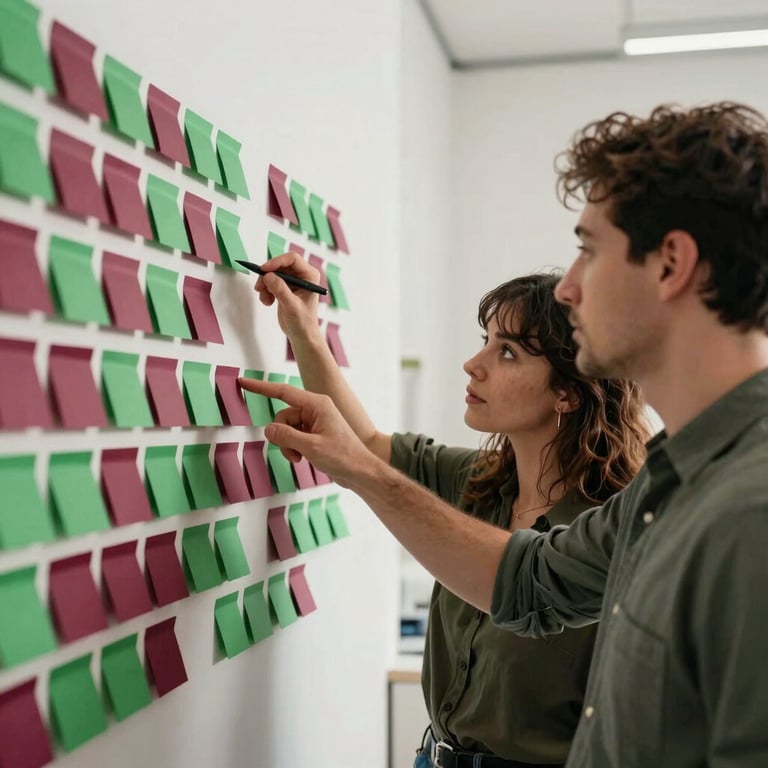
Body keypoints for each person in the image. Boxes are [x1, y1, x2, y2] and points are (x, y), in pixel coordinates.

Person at [240, 101, 768, 767]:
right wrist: (311, 344)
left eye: (589, 250)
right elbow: (529, 584)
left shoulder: (749, 511)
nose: (570, 289)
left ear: (671, 263)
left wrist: (364, 469)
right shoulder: (671, 484)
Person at [246, 268, 648, 767]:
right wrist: (303, 328)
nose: (472, 365)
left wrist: (359, 467)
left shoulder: (612, 532)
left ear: (567, 392)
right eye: (486, 341)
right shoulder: (478, 481)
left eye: (507, 353)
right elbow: (367, 447)